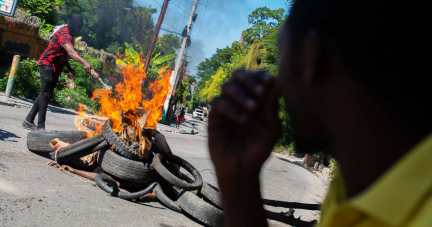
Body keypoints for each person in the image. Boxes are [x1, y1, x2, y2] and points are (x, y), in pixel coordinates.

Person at [208, 0, 429, 226]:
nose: (277, 81)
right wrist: (240, 184)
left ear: (310, 57)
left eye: (282, 53)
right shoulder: (352, 183)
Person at [22, 14, 97, 130]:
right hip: (47, 64)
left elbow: (65, 54)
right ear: (71, 24)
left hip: (55, 67)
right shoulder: (64, 33)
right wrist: (85, 62)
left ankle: (29, 120)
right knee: (46, 94)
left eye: (79, 28)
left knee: (46, 94)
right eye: (76, 27)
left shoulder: (70, 35)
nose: (77, 29)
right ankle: (41, 128)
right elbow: (71, 52)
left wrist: (69, 68)